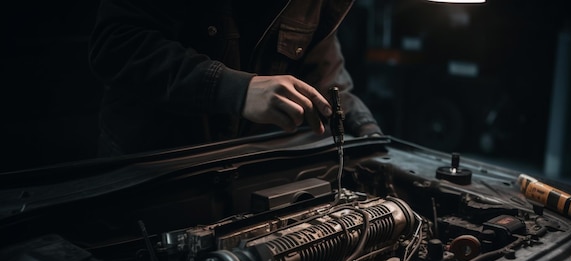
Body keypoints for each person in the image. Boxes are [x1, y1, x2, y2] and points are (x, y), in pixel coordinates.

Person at [88, 0, 382, 156]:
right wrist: (235, 90)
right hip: (149, 176)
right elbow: (117, 45)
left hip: (240, 169)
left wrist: (363, 126)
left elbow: (323, 73)